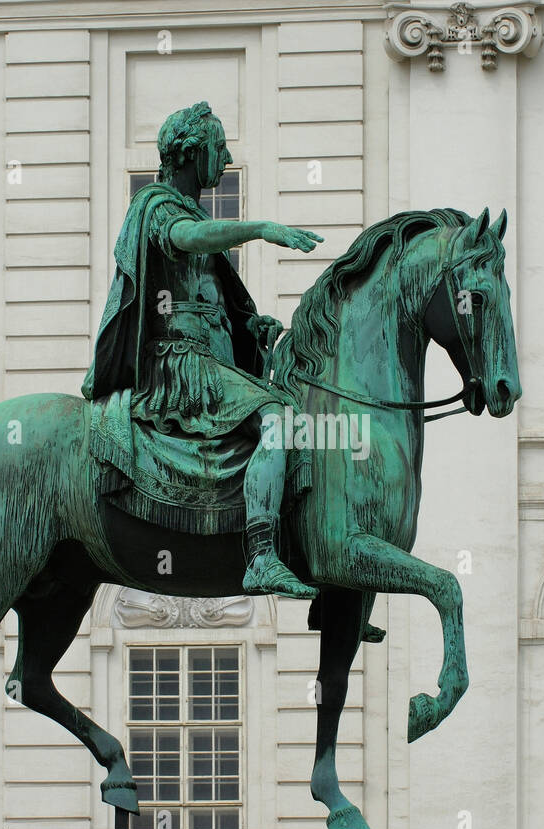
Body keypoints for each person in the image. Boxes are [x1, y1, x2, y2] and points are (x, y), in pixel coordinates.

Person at [81, 101, 323, 599]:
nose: (228, 156)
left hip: (209, 360)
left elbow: (209, 302)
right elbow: (186, 239)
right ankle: (260, 555)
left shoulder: (191, 211)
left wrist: (249, 328)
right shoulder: (156, 206)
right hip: (177, 364)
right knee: (278, 416)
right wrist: (258, 229)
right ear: (193, 154)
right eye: (220, 147)